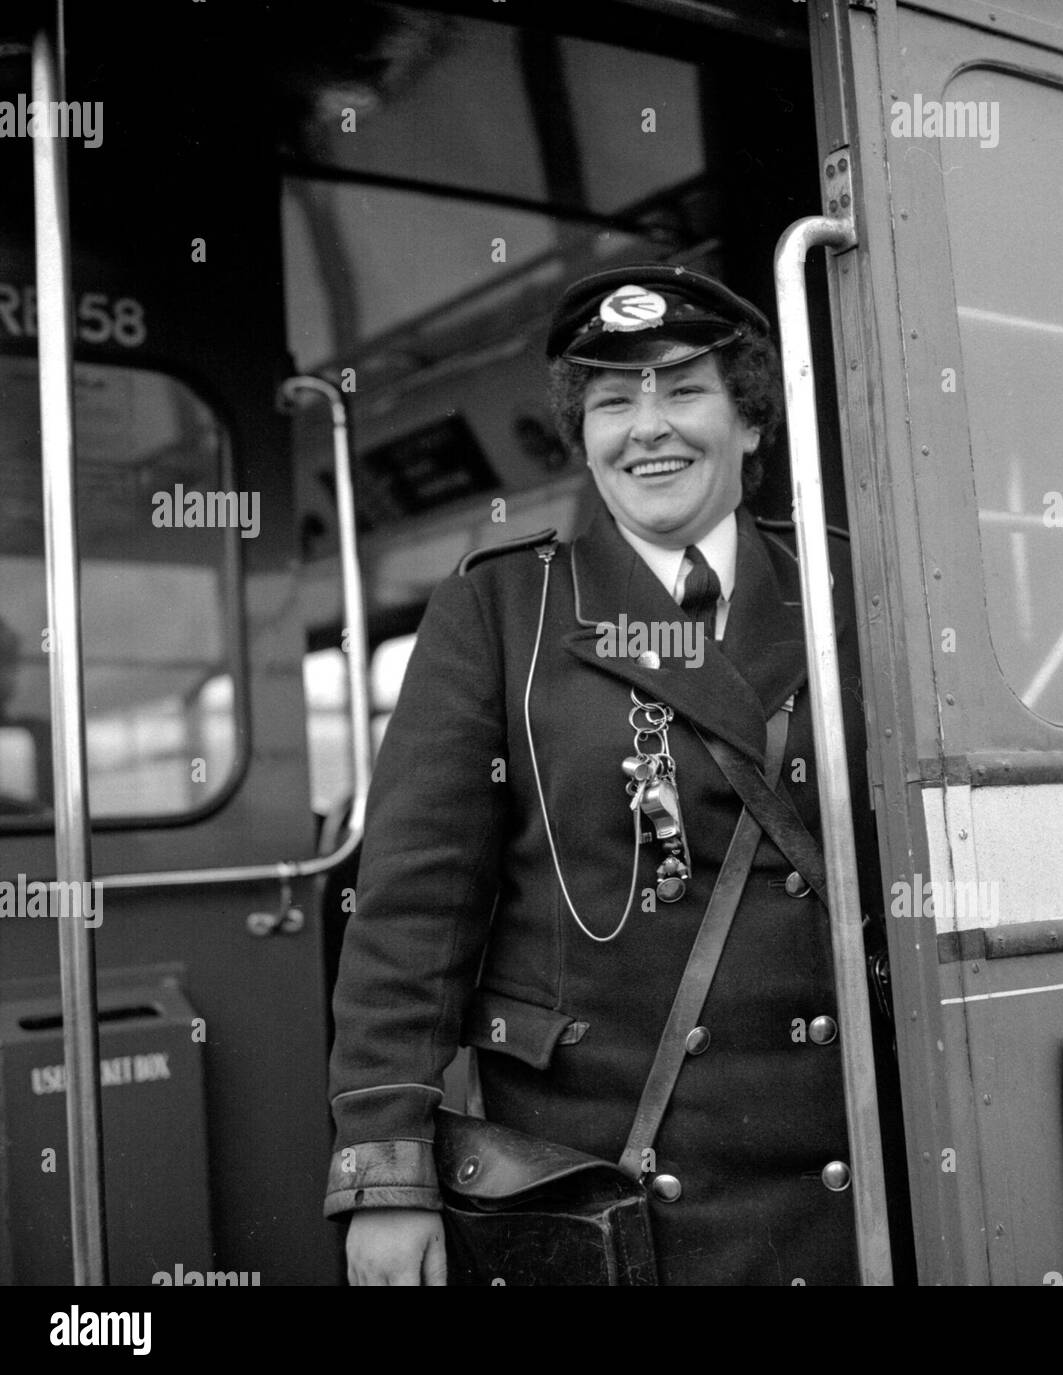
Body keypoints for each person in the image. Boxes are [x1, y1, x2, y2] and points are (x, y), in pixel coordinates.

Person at [325, 263, 894, 1285]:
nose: (648, 428)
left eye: (683, 390)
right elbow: (414, 905)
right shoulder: (500, 613)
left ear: (754, 423)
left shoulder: (855, 586)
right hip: (603, 1164)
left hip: (844, 1141)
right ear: (583, 439)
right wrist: (388, 1171)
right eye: (612, 401)